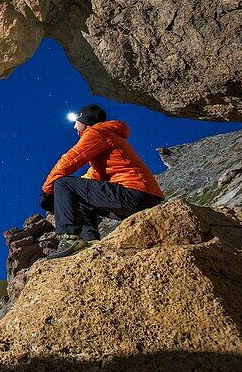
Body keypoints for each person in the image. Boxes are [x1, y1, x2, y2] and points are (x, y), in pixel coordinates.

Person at [39, 104, 164, 259]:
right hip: (145, 197)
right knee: (77, 195)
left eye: (76, 122)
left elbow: (70, 160)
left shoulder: (96, 132)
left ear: (84, 121)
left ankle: (69, 238)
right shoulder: (106, 136)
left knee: (62, 183)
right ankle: (90, 242)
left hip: (136, 193)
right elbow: (92, 177)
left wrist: (47, 190)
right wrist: (63, 197)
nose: (74, 127)